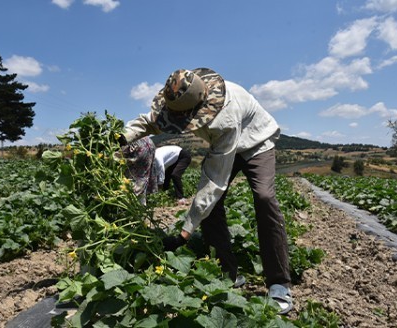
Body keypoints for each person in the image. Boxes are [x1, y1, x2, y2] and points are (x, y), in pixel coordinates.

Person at [120, 68, 293, 314]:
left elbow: (214, 182)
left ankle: (279, 283)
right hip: (225, 144)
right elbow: (150, 120)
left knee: (264, 197)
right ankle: (229, 272)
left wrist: (185, 232)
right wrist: (122, 137)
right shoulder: (182, 97)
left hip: (256, 143)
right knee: (212, 208)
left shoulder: (225, 117)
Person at [121, 136, 159, 206]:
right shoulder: (145, 138)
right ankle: (140, 207)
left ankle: (131, 208)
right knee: (142, 177)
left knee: (130, 179)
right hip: (147, 143)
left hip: (136, 145)